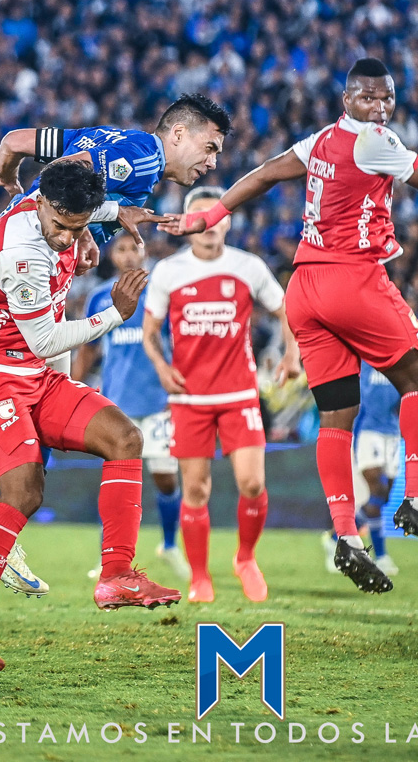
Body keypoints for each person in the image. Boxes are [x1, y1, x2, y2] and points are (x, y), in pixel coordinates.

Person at [160, 58, 418, 595]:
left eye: (387, 98)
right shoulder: (375, 141)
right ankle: (417, 501)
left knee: (336, 416)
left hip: (304, 288)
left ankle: (346, 536)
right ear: (348, 99)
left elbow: (264, 174)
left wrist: (210, 214)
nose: (380, 108)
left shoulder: (321, 140)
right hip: (353, 280)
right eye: (369, 98)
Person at [0, 94, 231, 593]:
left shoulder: (115, 140)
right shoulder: (142, 158)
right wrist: (79, 227)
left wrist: (14, 183)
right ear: (178, 134)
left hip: (18, 250)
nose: (211, 162)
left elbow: (15, 141)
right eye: (209, 148)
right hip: (20, 260)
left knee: (10, 383)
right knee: (14, 376)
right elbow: (71, 172)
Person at [0, 162, 180, 672]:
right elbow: (45, 339)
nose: (67, 237)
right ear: (41, 203)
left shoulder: (56, 209)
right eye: (61, 225)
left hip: (35, 375)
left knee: (125, 438)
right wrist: (115, 314)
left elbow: (88, 202)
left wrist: (114, 215)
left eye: (77, 226)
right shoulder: (22, 254)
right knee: (24, 491)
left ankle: (116, 575)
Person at [142, 187, 302, 604]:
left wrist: (292, 353)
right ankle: (199, 577)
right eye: (199, 216)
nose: (208, 223)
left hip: (239, 393)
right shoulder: (169, 271)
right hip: (189, 398)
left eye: (215, 215)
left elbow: (286, 309)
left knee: (252, 483)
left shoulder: (248, 266)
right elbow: (149, 333)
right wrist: (162, 368)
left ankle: (245, 559)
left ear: (227, 221)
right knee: (195, 491)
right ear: (186, 224)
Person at [73, 233, 188, 580]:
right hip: (116, 405)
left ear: (144, 251)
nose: (127, 255)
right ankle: (107, 557)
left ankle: (169, 545)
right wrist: (72, 387)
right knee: (116, 481)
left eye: (133, 248)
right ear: (112, 255)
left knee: (166, 479)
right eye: (120, 249)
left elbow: (180, 345)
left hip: (158, 402)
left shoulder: (161, 293)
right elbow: (88, 349)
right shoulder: (99, 296)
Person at [322, 363, 402, 578]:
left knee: (382, 497)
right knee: (376, 490)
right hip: (367, 430)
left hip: (393, 431)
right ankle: (381, 556)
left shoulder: (399, 357)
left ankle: (335, 539)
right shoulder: (363, 356)